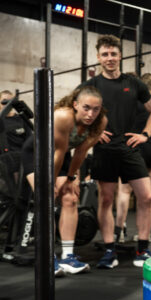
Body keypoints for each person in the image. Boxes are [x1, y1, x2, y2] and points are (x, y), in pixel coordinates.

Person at [80, 35, 151, 268]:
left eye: (113, 54)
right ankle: (108, 251)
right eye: (105, 54)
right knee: (105, 200)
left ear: (120, 55)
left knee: (147, 197)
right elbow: (71, 108)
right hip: (104, 150)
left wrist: (145, 134)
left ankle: (142, 250)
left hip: (129, 148)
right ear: (98, 58)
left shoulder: (134, 83)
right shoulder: (91, 85)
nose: (110, 58)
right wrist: (91, 132)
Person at [22, 84, 106, 276]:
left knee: (71, 198)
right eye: (86, 108)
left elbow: (81, 152)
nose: (91, 113)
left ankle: (68, 256)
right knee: (46, 200)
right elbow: (57, 153)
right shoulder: (62, 117)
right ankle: (47, 257)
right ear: (76, 104)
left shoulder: (100, 122)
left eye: (96, 109)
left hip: (62, 155)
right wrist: (49, 183)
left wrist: (70, 178)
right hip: (37, 153)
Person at [113, 72, 151, 243]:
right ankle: (145, 235)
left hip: (136, 147)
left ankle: (118, 231)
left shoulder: (133, 102)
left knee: (125, 191)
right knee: (148, 194)